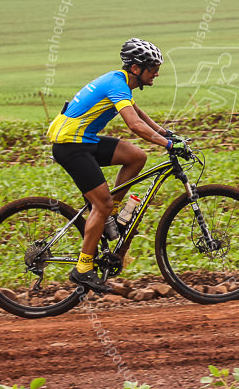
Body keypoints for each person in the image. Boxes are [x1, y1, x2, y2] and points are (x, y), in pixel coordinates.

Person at [47, 38, 183, 293]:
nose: (157, 72)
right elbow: (134, 124)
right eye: (152, 67)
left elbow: (137, 112)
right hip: (70, 145)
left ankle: (111, 217)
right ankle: (83, 269)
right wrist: (167, 145)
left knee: (136, 157)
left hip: (83, 140)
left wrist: (166, 133)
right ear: (135, 68)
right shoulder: (116, 83)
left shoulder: (120, 83)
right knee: (102, 202)